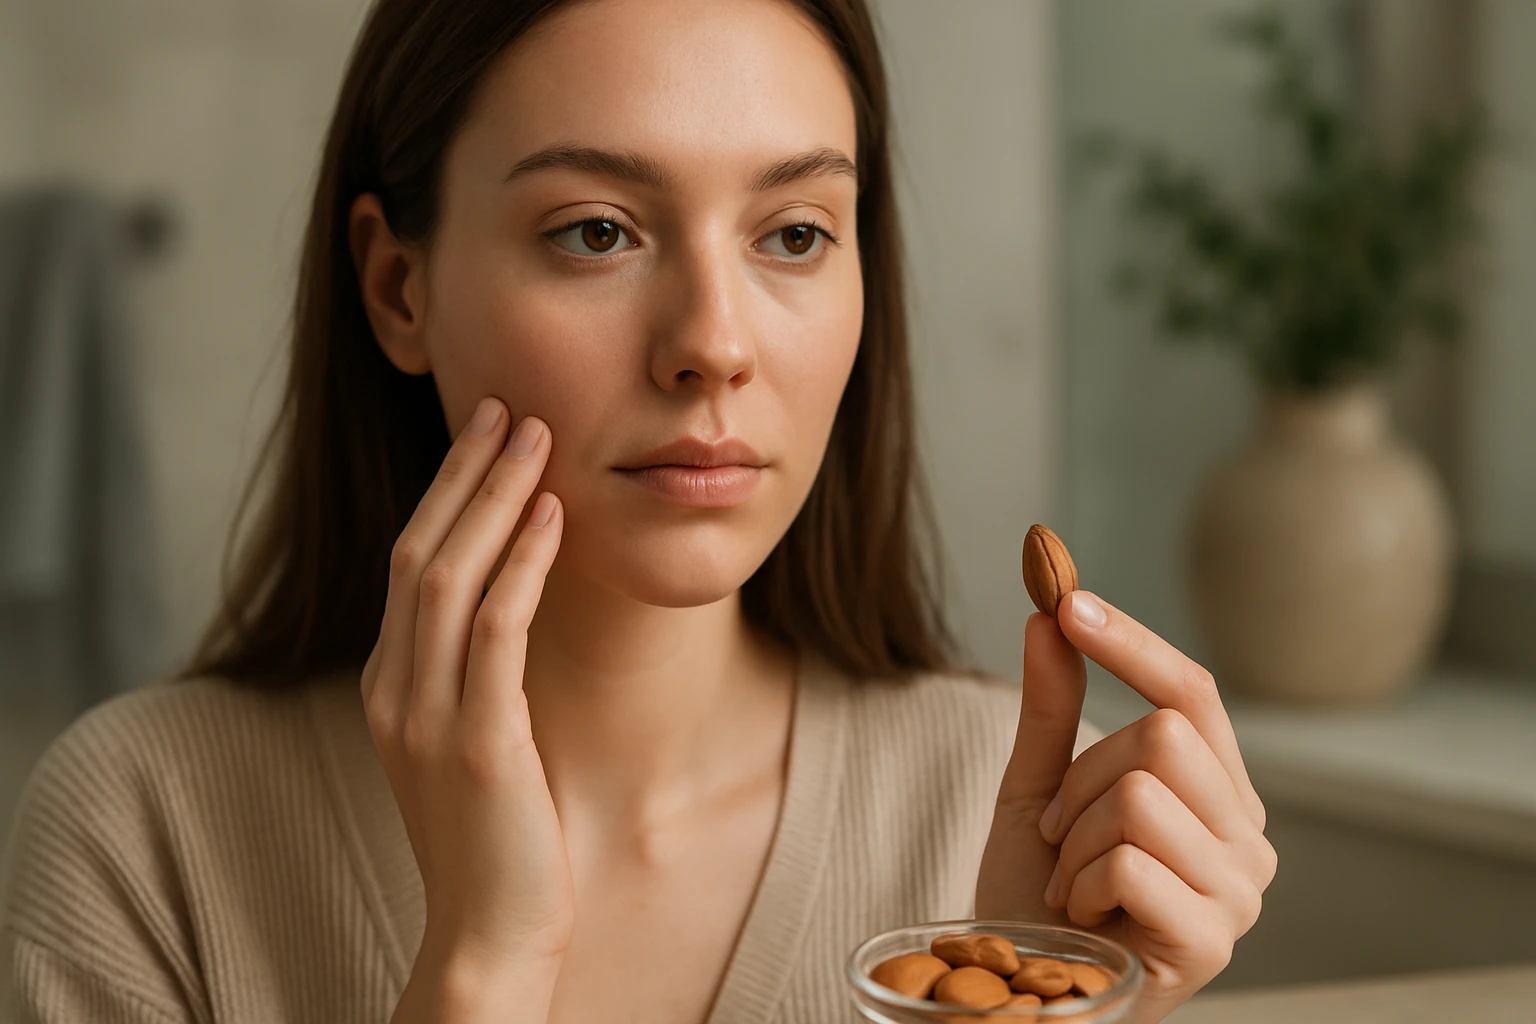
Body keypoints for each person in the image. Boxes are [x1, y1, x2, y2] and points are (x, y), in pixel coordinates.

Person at [0, 1, 1276, 1022]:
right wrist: (483, 966)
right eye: (598, 230)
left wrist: (1064, 1007)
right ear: (399, 287)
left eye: (792, 234)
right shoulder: (142, 830)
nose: (712, 346)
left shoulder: (1006, 809)